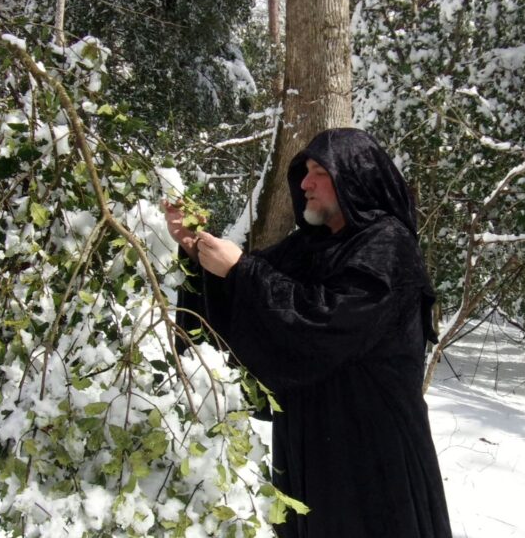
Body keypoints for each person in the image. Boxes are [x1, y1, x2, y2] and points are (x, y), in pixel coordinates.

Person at [165, 128, 452, 538]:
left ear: (354, 177)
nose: (304, 184)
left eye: (320, 172)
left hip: (371, 448)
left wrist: (242, 270)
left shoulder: (387, 245)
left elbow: (324, 323)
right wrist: (196, 248)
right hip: (310, 439)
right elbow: (247, 295)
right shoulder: (307, 246)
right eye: (306, 172)